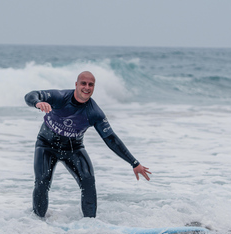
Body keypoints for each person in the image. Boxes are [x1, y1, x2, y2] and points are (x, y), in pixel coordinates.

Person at [24, 71, 151, 218]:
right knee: (42, 181)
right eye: (83, 83)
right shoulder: (60, 97)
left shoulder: (94, 113)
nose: (86, 87)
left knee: (88, 181)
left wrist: (134, 163)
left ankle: (90, 225)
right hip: (46, 145)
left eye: (91, 84)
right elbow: (30, 95)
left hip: (74, 149)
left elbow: (111, 139)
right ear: (76, 85)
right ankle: (37, 222)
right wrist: (37, 103)